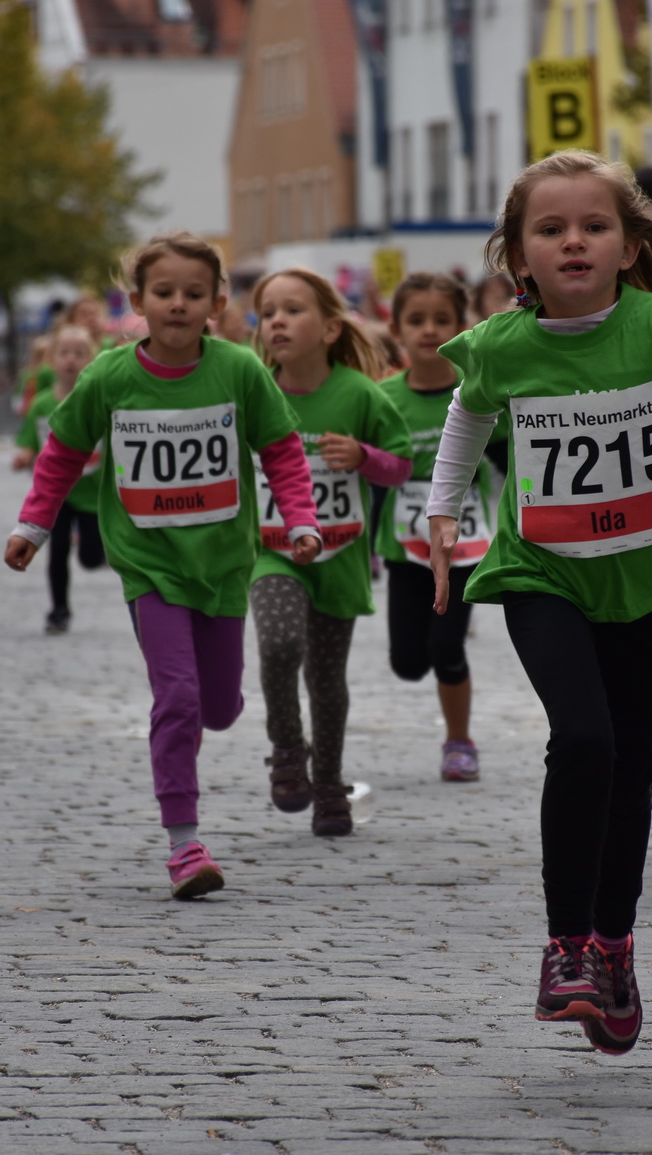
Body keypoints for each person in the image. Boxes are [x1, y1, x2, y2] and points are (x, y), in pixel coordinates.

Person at [425, 149, 652, 1056]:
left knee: (628, 762)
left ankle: (615, 946)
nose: (573, 241)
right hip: (540, 572)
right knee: (582, 738)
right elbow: (468, 412)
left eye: (594, 225)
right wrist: (441, 511)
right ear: (519, 254)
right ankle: (566, 946)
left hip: (643, 573)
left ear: (628, 245)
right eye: (550, 229)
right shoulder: (503, 343)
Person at [6, 231, 323, 900]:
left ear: (217, 302)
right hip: (149, 564)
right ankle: (184, 844)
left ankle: (209, 715)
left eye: (193, 293)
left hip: (224, 563)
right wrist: (34, 524)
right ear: (137, 301)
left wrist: (299, 519)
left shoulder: (239, 369)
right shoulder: (110, 375)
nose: (178, 303)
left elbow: (282, 449)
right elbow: (63, 451)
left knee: (219, 706)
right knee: (177, 698)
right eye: (164, 292)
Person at [248, 267, 412, 837]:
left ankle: (328, 785)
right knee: (278, 644)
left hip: (339, 555)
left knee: (325, 678)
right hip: (273, 550)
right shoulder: (255, 391)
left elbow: (401, 467)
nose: (277, 322)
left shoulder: (359, 393)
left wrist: (364, 456)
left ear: (330, 329)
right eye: (268, 313)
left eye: (293, 310)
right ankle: (287, 747)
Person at [374, 273, 504, 782]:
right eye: (416, 320)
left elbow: (511, 457)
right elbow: (371, 473)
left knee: (446, 648)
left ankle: (459, 741)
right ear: (396, 330)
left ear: (461, 327)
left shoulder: (477, 389)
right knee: (407, 662)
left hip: (464, 544)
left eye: (442, 320)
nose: (429, 330)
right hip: (404, 546)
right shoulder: (382, 397)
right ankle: (436, 690)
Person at [12, 324, 106, 634]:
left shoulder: (99, 399)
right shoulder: (41, 404)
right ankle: (59, 610)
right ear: (51, 360)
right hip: (59, 494)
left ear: (92, 360)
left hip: (93, 491)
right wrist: (24, 456)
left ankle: (95, 554)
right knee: (57, 552)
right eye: (64, 353)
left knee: (91, 557)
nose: (71, 360)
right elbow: (30, 440)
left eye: (79, 354)